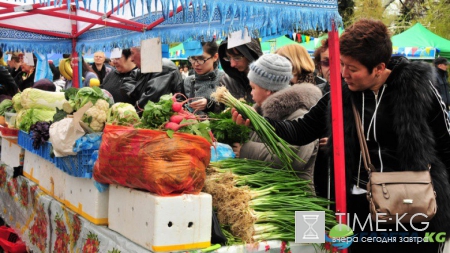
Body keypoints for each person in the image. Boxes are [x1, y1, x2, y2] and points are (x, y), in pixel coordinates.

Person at [233, 19, 450, 252]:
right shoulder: (338, 93)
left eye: (352, 68)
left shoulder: (419, 89)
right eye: (341, 64)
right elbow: (300, 131)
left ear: (379, 67)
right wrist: (258, 122)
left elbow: (446, 147)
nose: (343, 73)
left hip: (412, 206)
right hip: (360, 207)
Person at [235, 54, 322, 190]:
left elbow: (292, 158)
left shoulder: (301, 115)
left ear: (268, 89)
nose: (251, 93)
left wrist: (244, 149)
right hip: (272, 194)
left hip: (299, 203)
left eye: (253, 88)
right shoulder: (260, 114)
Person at [119, 46, 184, 109]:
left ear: (145, 53)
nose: (131, 59)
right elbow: (126, 83)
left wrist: (136, 95)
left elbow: (149, 102)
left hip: (165, 116)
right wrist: (138, 92)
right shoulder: (143, 69)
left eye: (132, 53)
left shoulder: (163, 67)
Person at [184, 41, 224, 114]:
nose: (196, 64)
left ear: (215, 57)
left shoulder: (225, 79)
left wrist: (210, 105)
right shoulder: (188, 81)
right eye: (193, 59)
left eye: (201, 59)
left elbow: (231, 111)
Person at [218, 38, 263, 103]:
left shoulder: (267, 80)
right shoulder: (227, 81)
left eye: (237, 58)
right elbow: (219, 110)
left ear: (251, 55)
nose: (232, 64)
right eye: (228, 58)